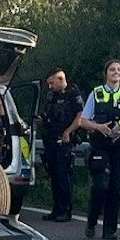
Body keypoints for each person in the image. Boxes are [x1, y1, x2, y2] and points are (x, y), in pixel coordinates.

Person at [80, 59, 120, 239]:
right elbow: (83, 121)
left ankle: (110, 230)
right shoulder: (96, 93)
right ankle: (92, 221)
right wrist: (98, 127)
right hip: (100, 147)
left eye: (119, 69)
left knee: (117, 188)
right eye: (112, 69)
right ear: (106, 73)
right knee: (99, 188)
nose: (116, 72)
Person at [38, 69, 85, 222]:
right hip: (51, 140)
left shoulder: (73, 94)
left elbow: (79, 118)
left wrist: (68, 132)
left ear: (60, 78)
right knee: (53, 175)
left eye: (52, 83)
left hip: (65, 141)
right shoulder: (51, 97)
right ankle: (56, 209)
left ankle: (66, 210)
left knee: (63, 175)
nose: (50, 87)